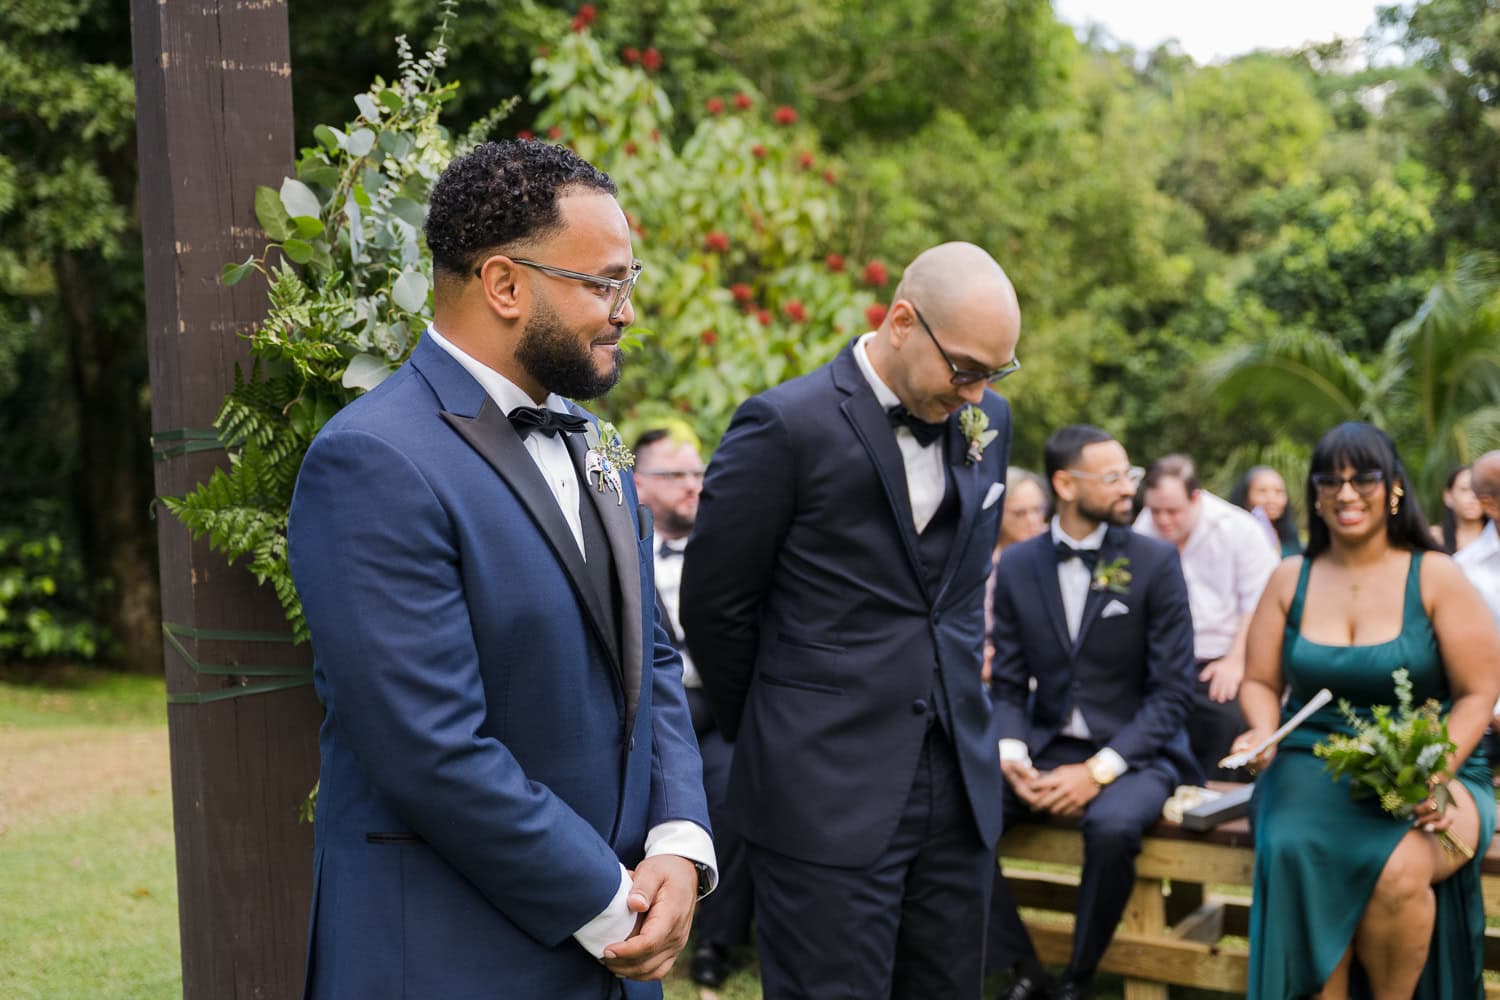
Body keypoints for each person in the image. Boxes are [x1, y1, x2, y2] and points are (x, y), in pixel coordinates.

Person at [286, 140, 714, 999]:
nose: (625, 311)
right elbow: (428, 745)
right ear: (505, 284)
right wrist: (605, 900)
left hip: (619, 948)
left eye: (628, 281)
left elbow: (652, 661)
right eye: (603, 283)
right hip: (453, 952)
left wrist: (677, 839)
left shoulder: (593, 442)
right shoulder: (373, 460)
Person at [681, 242, 1021, 998]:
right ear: (902, 320)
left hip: (956, 786)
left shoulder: (986, 421)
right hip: (821, 790)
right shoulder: (785, 425)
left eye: (994, 374)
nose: (976, 395)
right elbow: (715, 606)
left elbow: (956, 598)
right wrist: (783, 723)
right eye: (964, 369)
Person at [1233, 422, 1500, 999]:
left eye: (1364, 478)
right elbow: (1258, 680)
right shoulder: (1289, 578)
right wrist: (1261, 730)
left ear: (1394, 487)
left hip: (1436, 762)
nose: (1346, 493)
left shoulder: (1435, 575)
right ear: (1315, 493)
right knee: (1295, 851)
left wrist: (1438, 770)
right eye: (1331, 480)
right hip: (1308, 764)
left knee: (1399, 871)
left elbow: (1479, 692)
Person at [987, 425, 1198, 1000]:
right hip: (1046, 742)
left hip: (1139, 751)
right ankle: (1024, 970)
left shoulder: (1154, 562)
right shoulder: (1018, 565)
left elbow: (1173, 692)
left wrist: (1099, 771)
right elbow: (1006, 681)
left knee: (1109, 828)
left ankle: (1078, 980)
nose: (1126, 487)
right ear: (1065, 483)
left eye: (1126, 473)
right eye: (1111, 477)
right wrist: (1011, 754)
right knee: (957, 817)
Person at [632, 427, 753, 988]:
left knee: (732, 794)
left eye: (697, 474)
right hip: (649, 709)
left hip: (721, 704)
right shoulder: (622, 548)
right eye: (675, 475)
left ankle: (716, 943)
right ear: (639, 483)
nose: (693, 486)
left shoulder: (734, 546)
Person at [1136, 455, 1279, 781]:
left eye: (1172, 511)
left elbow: (1258, 604)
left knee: (1223, 717)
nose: (1163, 520)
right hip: (1163, 657)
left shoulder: (1238, 528)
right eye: (1155, 511)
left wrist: (1236, 660)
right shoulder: (1143, 527)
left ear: (1195, 498)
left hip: (1227, 653)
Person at [983, 467, 1051, 683]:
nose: (1032, 520)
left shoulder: (1058, 550)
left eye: (1038, 510)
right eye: (1019, 513)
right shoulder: (985, 563)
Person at [1230, 464, 1301, 558]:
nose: (1271, 498)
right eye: (1262, 491)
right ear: (1245, 497)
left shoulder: (1290, 534)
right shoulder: (1234, 535)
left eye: (1279, 491)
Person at [1431, 464, 1489, 553]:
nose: (1473, 497)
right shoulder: (1433, 537)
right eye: (1465, 489)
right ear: (1448, 496)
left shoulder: (1495, 537)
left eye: (1478, 490)